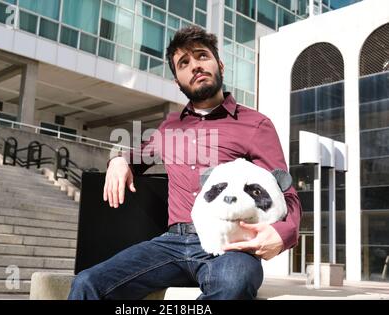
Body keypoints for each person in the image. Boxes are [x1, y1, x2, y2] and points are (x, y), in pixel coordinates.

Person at [68, 26, 302, 300]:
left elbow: (284, 193)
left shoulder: (255, 124)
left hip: (229, 244)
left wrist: (283, 234)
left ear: (220, 65)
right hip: (171, 244)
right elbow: (137, 155)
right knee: (87, 283)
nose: (195, 66)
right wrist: (118, 160)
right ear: (177, 81)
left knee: (233, 284)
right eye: (184, 63)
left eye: (202, 56)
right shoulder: (169, 127)